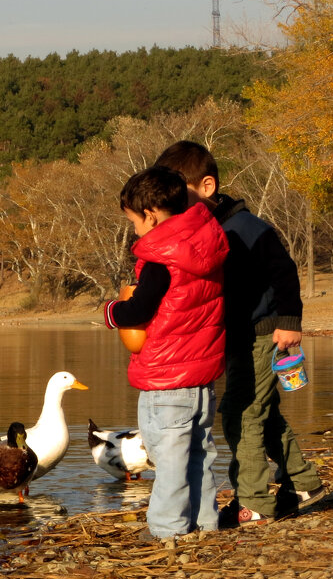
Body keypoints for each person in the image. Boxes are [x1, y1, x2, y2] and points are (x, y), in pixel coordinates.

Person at [155, 141, 327, 525]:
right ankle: (304, 481)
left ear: (208, 187)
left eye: (180, 193)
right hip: (236, 339)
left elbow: (284, 272)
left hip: (265, 332)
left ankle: (254, 504)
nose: (174, 202)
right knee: (262, 413)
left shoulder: (247, 227)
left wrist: (289, 321)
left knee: (241, 414)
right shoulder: (203, 231)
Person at [103, 165, 229, 540]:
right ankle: (205, 521)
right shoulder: (208, 243)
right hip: (202, 378)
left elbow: (140, 310)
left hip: (166, 377)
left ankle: (166, 528)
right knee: (199, 454)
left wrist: (113, 312)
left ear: (152, 215)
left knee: (169, 458)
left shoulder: (161, 258)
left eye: (135, 223)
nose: (136, 232)